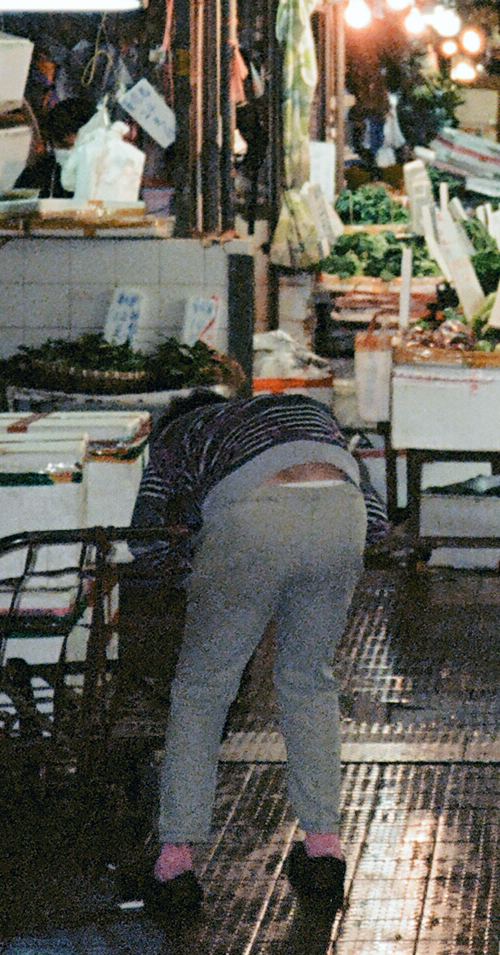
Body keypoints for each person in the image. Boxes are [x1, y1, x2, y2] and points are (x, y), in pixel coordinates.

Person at [131, 385, 387, 917]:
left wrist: (200, 577)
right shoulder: (308, 412)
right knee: (309, 682)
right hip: (343, 513)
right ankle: (323, 852)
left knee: (202, 692)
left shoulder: (177, 435)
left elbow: (147, 537)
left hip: (253, 515)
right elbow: (379, 522)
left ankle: (174, 865)